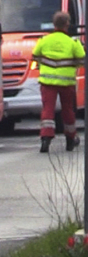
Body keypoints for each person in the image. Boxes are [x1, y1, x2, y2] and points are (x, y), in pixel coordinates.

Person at [31, 11, 85, 153]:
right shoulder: (73, 42)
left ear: (54, 24)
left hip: (47, 82)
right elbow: (81, 59)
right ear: (67, 24)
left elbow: (35, 56)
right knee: (68, 110)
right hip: (66, 83)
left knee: (48, 109)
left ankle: (46, 138)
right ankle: (70, 138)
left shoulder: (44, 40)